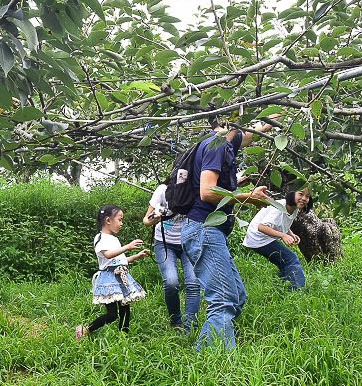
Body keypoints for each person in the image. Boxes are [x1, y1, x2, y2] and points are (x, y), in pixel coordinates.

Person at [180, 116, 276, 350]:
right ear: (233, 120)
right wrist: (245, 197)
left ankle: (207, 352)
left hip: (210, 232)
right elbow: (207, 192)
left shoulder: (228, 143)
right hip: (204, 229)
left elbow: (252, 134)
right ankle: (214, 365)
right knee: (223, 301)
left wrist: (277, 114)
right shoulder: (217, 145)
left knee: (237, 297)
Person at [76, 205, 149, 338]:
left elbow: (119, 260)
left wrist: (136, 256)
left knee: (125, 309)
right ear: (108, 220)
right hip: (108, 279)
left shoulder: (114, 239)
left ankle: (124, 337)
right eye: (120, 220)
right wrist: (128, 246)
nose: (121, 224)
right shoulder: (100, 238)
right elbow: (108, 255)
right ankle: (85, 330)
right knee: (112, 315)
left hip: (120, 277)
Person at [143, 183, 200, 331]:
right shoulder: (163, 190)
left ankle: (190, 328)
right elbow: (146, 221)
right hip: (164, 242)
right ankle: (176, 322)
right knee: (171, 282)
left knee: (193, 283)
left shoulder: (196, 188)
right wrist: (153, 219)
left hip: (189, 241)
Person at [242, 187, 310, 291]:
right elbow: (262, 227)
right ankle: (298, 292)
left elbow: (281, 223)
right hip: (258, 238)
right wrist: (283, 236)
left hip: (263, 238)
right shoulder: (279, 207)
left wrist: (291, 234)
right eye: (301, 194)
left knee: (283, 262)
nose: (304, 198)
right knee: (291, 259)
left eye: (307, 196)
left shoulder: (295, 208)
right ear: (291, 194)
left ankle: (283, 289)